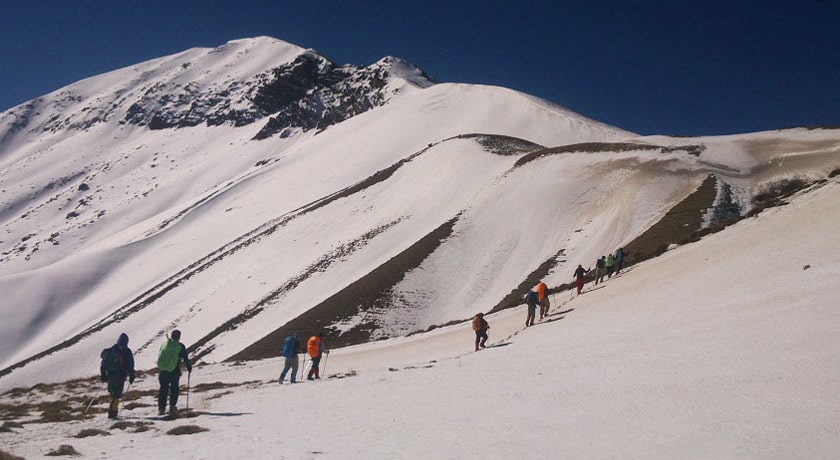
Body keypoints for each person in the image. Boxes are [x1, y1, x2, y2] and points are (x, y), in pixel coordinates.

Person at [157, 329, 192, 417]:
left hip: (163, 371)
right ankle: (172, 407)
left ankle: (161, 408)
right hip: (174, 371)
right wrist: (189, 367)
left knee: (163, 389)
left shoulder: (165, 344)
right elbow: (185, 358)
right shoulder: (180, 346)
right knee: (174, 389)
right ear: (178, 337)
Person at [100, 333, 135, 419]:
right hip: (120, 375)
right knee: (117, 394)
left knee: (112, 393)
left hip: (110, 375)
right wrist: (131, 375)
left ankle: (112, 409)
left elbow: (103, 364)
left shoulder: (111, 350)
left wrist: (103, 375)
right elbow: (130, 364)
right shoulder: (126, 351)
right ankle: (113, 411)